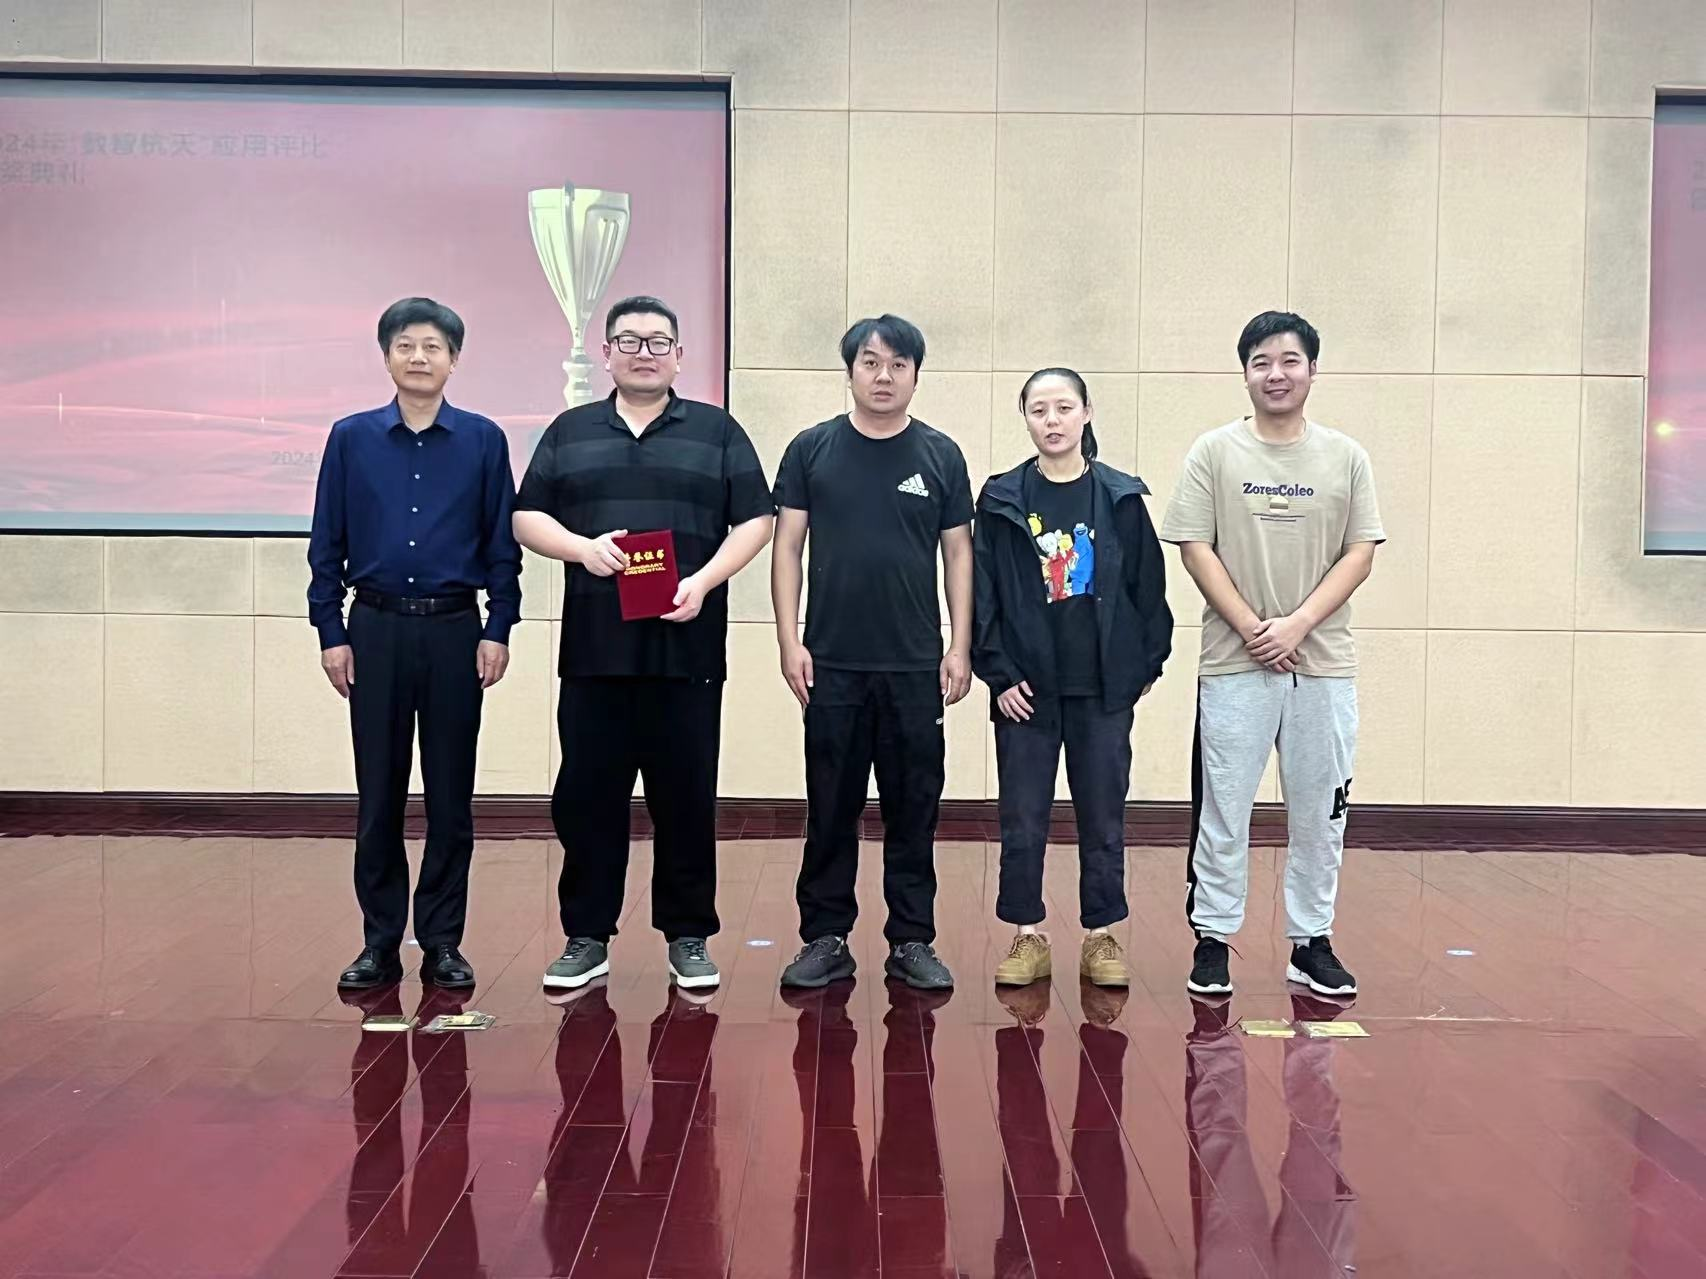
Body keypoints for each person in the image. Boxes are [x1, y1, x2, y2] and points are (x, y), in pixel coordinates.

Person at [513, 295, 773, 993]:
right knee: (587, 799)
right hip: (595, 655)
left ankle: (689, 936)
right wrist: (582, 549)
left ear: (680, 356)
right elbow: (525, 515)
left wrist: (704, 580)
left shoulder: (717, 431)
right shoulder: (570, 431)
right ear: (606, 354)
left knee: (686, 798)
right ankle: (586, 935)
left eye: (659, 342)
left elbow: (757, 519)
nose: (644, 353)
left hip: (687, 656)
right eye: (629, 340)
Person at [1160, 311, 1383, 998]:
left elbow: (1360, 551)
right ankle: (1212, 938)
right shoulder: (1214, 452)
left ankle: (1311, 940)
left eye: (1290, 361)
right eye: (1261, 361)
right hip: (1235, 662)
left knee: (1320, 808)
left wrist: (1299, 625)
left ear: (1313, 370)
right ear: (1245, 373)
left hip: (1322, 664)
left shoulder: (1346, 456)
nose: (1276, 374)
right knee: (1224, 806)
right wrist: (1256, 627)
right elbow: (1195, 546)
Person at [308, 296, 522, 991]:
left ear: (454, 360)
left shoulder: (484, 440)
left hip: (457, 630)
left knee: (451, 796)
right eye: (405, 345)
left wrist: (498, 626)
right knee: (379, 795)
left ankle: (442, 941)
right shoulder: (351, 438)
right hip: (374, 628)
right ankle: (378, 942)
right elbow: (326, 543)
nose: (419, 357)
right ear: (386, 356)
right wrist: (332, 632)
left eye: (433, 346)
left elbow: (502, 546)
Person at [770, 314, 974, 991]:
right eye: (869, 362)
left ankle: (912, 939)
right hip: (831, 662)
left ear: (915, 374)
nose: (883, 376)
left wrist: (959, 645)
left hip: (915, 664)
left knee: (914, 807)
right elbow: (788, 548)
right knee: (830, 805)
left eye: (897, 365)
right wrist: (789, 639)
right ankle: (825, 937)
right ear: (851, 369)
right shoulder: (812, 449)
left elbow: (958, 554)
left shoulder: (941, 455)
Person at [974, 369, 1173, 989]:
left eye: (1064, 407)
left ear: (1086, 412)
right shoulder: (1001, 499)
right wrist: (998, 673)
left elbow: (1149, 587)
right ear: (1025, 419)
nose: (1052, 420)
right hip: (1026, 692)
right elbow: (983, 594)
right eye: (1039, 410)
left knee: (1103, 815)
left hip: (1103, 690)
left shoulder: (1119, 497)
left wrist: (1145, 665)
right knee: (1023, 817)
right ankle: (1026, 934)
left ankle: (1101, 935)